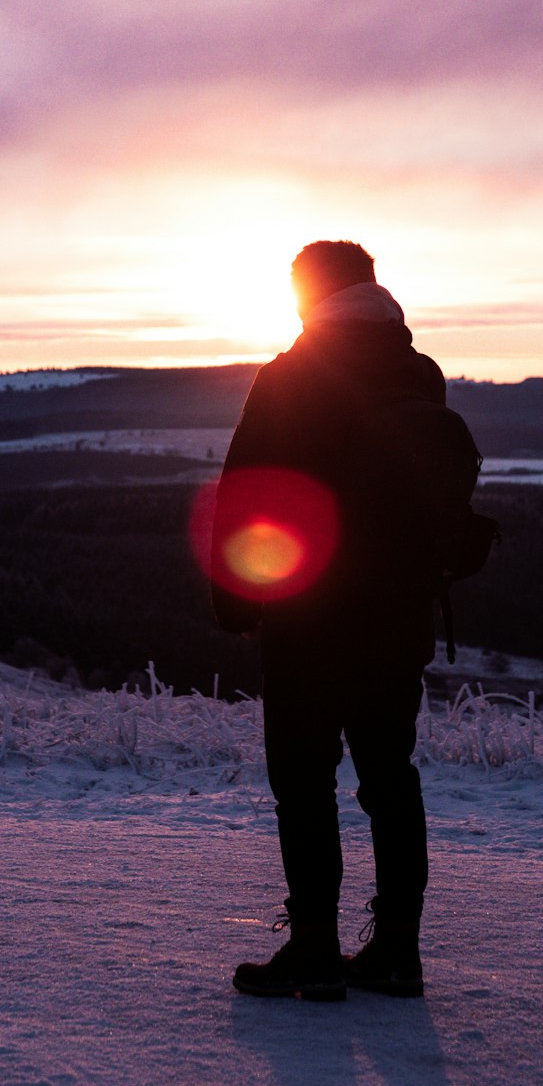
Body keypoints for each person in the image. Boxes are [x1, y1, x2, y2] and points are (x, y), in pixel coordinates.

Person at [211, 240, 446, 1001]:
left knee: (305, 782)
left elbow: (249, 491)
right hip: (400, 611)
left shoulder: (290, 377)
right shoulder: (420, 373)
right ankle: (398, 955)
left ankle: (315, 951)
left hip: (309, 616)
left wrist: (238, 596)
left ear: (310, 295)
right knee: (389, 780)